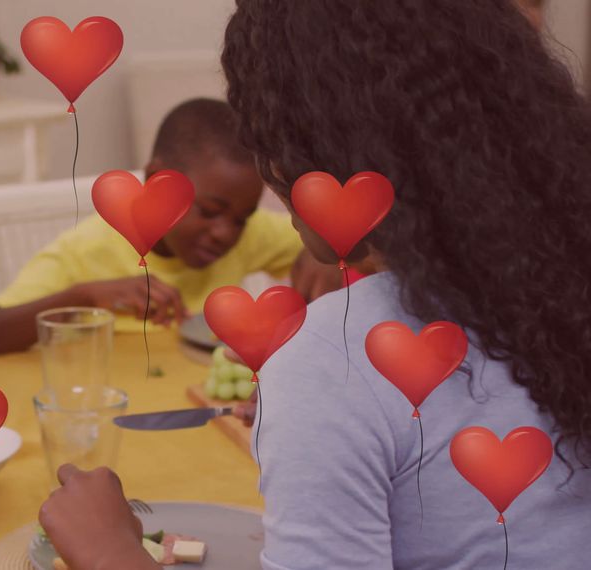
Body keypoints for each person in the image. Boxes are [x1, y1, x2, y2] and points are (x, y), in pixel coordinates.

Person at [39, 1, 591, 568]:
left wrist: (106, 549)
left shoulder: (335, 359)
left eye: (263, 130)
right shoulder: (562, 284)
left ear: (306, 145)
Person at [0, 98, 341, 355]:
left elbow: (346, 244)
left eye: (240, 219)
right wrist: (86, 298)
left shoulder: (250, 235)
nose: (226, 232)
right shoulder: (86, 251)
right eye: (209, 211)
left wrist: (323, 250)